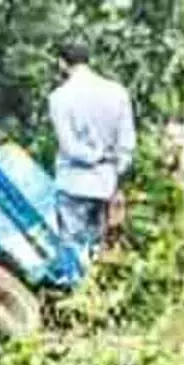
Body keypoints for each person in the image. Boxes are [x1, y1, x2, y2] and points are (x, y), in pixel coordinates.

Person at [48, 41, 137, 254]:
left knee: (73, 249)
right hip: (106, 183)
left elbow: (69, 147)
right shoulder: (117, 92)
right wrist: (114, 168)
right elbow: (127, 144)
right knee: (99, 248)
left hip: (73, 183)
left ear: (62, 63)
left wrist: (95, 156)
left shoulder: (59, 97)